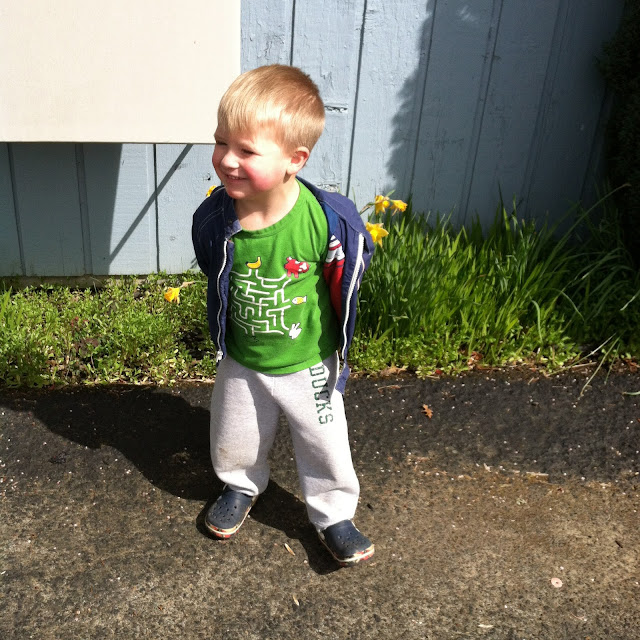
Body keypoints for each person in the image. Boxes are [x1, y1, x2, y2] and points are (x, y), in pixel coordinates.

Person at [191, 64, 375, 566]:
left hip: (308, 360)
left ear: (295, 159)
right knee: (234, 433)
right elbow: (211, 264)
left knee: (324, 441)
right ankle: (240, 484)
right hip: (243, 356)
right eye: (220, 142)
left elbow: (351, 267)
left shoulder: (324, 220)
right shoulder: (215, 218)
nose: (227, 160)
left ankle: (333, 513)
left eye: (247, 151)